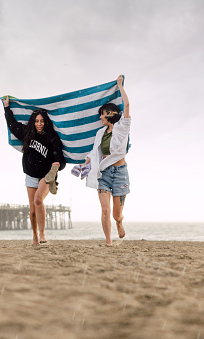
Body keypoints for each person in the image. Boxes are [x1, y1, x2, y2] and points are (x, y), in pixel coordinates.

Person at [2, 96, 66, 246]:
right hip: (30, 175)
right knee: (32, 211)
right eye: (37, 121)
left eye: (42, 121)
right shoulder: (27, 133)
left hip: (46, 175)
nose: (39, 124)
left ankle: (42, 233)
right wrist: (6, 108)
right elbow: (12, 125)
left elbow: (62, 161)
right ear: (33, 122)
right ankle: (35, 235)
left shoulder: (52, 138)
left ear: (46, 122)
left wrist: (57, 165)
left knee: (38, 200)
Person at [84, 75, 130, 246]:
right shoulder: (99, 133)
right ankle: (109, 242)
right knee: (105, 209)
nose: (100, 118)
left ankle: (119, 222)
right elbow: (94, 151)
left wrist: (119, 86)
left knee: (116, 214)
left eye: (102, 115)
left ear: (110, 114)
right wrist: (87, 161)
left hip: (120, 173)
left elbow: (126, 106)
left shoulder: (122, 128)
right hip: (103, 173)